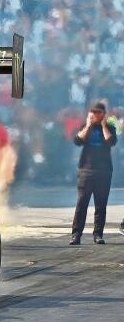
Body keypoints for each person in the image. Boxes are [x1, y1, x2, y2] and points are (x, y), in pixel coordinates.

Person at [69, 102, 118, 245]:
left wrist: (103, 125)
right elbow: (78, 140)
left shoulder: (110, 127)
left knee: (101, 205)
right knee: (82, 203)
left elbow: (111, 141)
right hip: (86, 169)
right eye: (94, 112)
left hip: (104, 171)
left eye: (99, 112)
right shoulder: (84, 127)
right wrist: (89, 125)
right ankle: (76, 234)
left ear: (104, 114)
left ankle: (98, 234)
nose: (96, 115)